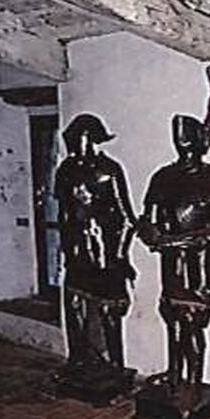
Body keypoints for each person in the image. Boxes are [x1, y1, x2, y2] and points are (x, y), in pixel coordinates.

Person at [137, 114, 210, 399]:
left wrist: (170, 240)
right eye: (179, 137)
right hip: (172, 263)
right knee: (171, 317)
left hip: (200, 265)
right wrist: (149, 232)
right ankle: (174, 374)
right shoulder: (163, 177)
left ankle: (192, 381)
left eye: (189, 136)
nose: (183, 143)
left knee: (191, 322)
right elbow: (147, 220)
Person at [54, 113, 136, 381]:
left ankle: (114, 364)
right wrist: (66, 247)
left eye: (76, 137)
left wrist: (119, 255)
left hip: (104, 251)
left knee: (108, 310)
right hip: (76, 251)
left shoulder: (108, 170)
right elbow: (65, 213)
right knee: (74, 307)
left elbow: (127, 219)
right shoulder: (65, 170)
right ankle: (78, 359)